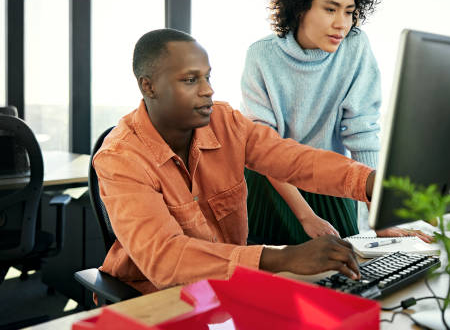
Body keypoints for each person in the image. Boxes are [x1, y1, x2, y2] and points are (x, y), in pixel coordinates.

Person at [93, 28, 375, 295]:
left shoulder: (224, 122)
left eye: (207, 77)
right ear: (149, 86)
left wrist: (369, 182)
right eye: (190, 80)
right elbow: (166, 259)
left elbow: (293, 160)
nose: (208, 91)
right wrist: (283, 256)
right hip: (153, 298)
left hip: (225, 288)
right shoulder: (120, 158)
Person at [241, 0, 432, 244]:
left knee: (347, 266)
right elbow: (265, 150)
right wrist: (306, 215)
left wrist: (379, 218)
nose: (342, 23)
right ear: (300, 6)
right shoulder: (261, 56)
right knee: (277, 276)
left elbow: (363, 134)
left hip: (331, 179)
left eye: (349, 11)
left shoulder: (355, 47)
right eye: (330, 9)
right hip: (271, 186)